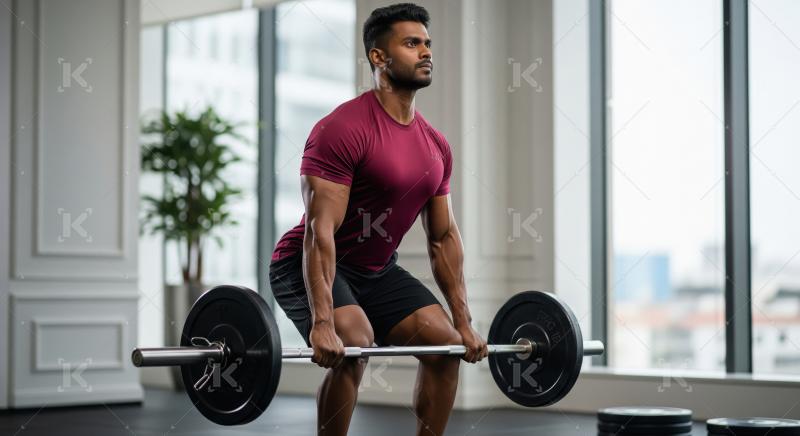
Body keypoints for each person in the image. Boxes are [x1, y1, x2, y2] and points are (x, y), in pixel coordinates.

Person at [268, 3, 487, 435]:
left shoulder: (435, 145)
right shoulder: (342, 128)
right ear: (378, 57)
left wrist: (462, 322)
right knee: (354, 344)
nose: (426, 52)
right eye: (411, 43)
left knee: (444, 348)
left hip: (374, 270)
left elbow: (442, 237)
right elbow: (319, 231)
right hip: (304, 261)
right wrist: (323, 323)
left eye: (427, 44)